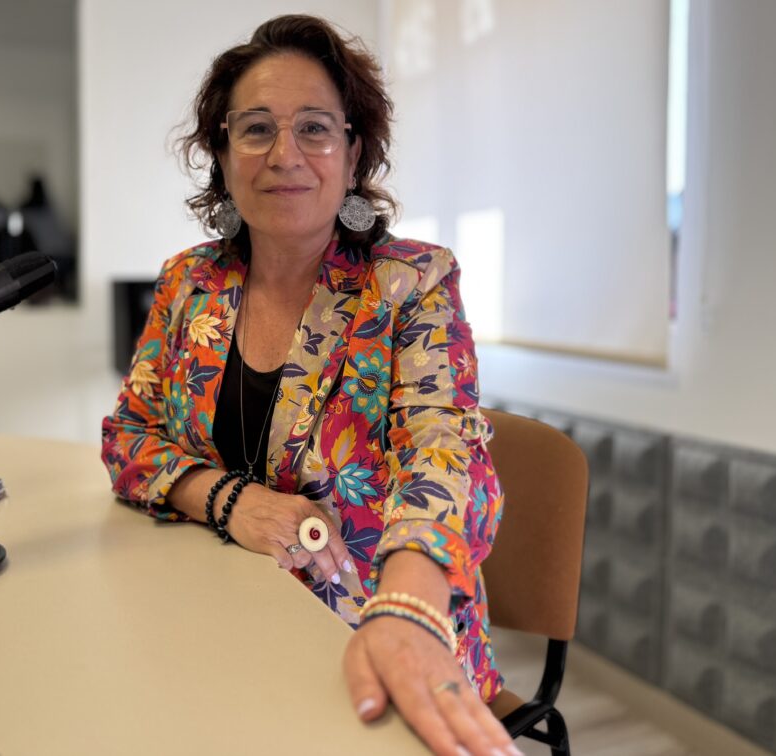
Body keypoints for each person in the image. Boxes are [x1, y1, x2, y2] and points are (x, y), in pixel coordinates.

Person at [102, 15, 518, 756]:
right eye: (256, 128)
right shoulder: (187, 283)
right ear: (222, 153)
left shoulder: (411, 283)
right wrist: (229, 501)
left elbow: (445, 451)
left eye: (315, 128)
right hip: (210, 618)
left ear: (353, 154)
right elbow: (128, 438)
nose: (283, 154)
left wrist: (409, 605)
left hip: (365, 630)